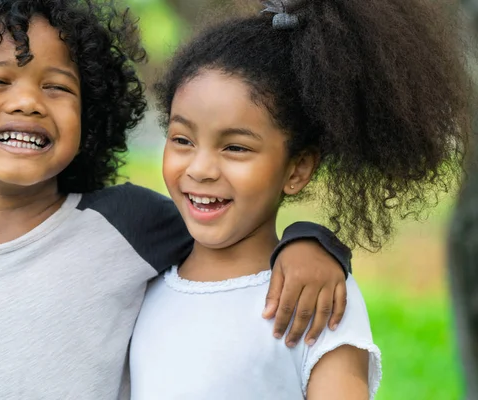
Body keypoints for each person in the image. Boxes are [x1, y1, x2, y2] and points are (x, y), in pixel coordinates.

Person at [0, 0, 354, 398]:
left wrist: (309, 241)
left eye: (57, 87)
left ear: (87, 119)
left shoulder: (128, 222)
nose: (28, 102)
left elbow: (232, 235)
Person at [129, 0, 470, 398]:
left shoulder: (312, 300)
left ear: (297, 170)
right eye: (183, 140)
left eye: (236, 148)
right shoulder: (139, 277)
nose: (201, 168)